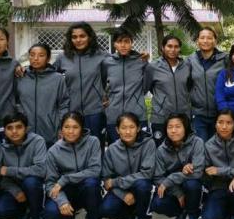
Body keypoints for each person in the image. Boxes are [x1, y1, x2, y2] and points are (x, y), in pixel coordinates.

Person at [42, 112, 103, 219]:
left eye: (75, 127)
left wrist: (65, 179)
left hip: (88, 191)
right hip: (67, 192)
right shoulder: (53, 151)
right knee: (50, 213)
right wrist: (62, 201)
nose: (71, 131)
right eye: (67, 127)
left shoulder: (93, 142)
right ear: (61, 129)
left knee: (91, 182)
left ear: (82, 128)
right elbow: (50, 183)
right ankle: (68, 217)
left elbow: (95, 170)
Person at [0, 112, 48, 219]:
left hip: (35, 188)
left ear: (26, 128)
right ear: (4, 130)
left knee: (30, 182)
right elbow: (0, 176)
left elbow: (41, 170)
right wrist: (15, 191)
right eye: (9, 128)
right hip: (15, 190)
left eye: (19, 127)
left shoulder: (37, 141)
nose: (14, 131)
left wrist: (10, 171)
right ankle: (24, 213)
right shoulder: (1, 148)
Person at [53, 22, 109, 150]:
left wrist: (108, 95)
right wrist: (23, 70)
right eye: (74, 37)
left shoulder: (101, 56)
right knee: (73, 150)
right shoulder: (63, 58)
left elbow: (118, 70)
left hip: (95, 112)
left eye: (82, 36)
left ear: (89, 37)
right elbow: (47, 73)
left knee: (95, 149)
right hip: (71, 113)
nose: (78, 40)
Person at [99, 113, 156, 219]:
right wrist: (123, 194)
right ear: (117, 130)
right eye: (123, 128)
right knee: (105, 209)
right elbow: (107, 180)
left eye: (131, 127)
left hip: (141, 187)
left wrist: (116, 182)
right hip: (122, 190)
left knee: (142, 184)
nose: (128, 131)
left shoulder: (148, 143)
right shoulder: (112, 149)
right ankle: (129, 215)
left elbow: (147, 173)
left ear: (138, 128)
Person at [150, 113, 205, 219]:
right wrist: (177, 193)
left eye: (178, 126)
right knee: (158, 203)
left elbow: (198, 172)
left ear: (186, 128)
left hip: (194, 186)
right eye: (170, 127)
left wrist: (170, 179)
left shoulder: (197, 142)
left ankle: (193, 216)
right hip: (173, 190)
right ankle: (181, 212)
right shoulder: (161, 150)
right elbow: (158, 177)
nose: (173, 130)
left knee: (192, 184)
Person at [16, 43, 70, 148]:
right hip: (25, 133)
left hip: (50, 133)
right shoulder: (21, 77)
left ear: (48, 58)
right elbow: (16, 101)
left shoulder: (58, 79)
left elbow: (63, 105)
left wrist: (62, 127)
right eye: (32, 55)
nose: (36, 58)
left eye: (41, 55)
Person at [102, 28, 148, 144]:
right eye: (119, 41)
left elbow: (148, 84)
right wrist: (104, 97)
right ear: (114, 44)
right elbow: (100, 83)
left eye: (127, 41)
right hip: (114, 116)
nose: (123, 45)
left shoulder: (141, 61)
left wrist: (138, 99)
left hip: (137, 114)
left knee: (139, 148)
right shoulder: (107, 63)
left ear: (132, 43)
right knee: (116, 150)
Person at [145, 35, 192, 145]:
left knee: (183, 148)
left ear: (180, 48)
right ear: (163, 47)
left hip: (183, 117)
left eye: (176, 47)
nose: (173, 50)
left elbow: (189, 87)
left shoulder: (187, 66)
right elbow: (148, 87)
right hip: (160, 117)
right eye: (169, 46)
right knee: (160, 148)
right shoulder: (153, 67)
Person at [187, 27, 228, 141]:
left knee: (218, 146)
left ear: (215, 41)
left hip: (220, 113)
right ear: (197, 41)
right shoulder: (190, 60)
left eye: (209, 38)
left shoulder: (224, 59)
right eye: (202, 38)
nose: (205, 41)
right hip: (198, 114)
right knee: (200, 145)